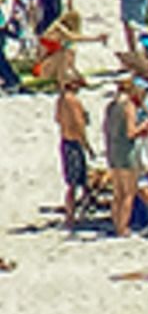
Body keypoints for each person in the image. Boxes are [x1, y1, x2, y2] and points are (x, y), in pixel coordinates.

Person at [101, 80, 148, 238]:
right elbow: (131, 132)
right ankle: (123, 228)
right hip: (127, 151)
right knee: (128, 193)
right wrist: (144, 127)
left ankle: (117, 224)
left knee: (118, 193)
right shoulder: (128, 106)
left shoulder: (111, 106)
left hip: (113, 150)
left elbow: (106, 129)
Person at [55, 77, 91, 230]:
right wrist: (88, 146)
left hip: (65, 141)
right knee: (76, 183)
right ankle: (71, 217)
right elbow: (79, 125)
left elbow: (57, 119)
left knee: (76, 182)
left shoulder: (61, 100)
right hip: (74, 143)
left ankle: (73, 215)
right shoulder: (73, 102)